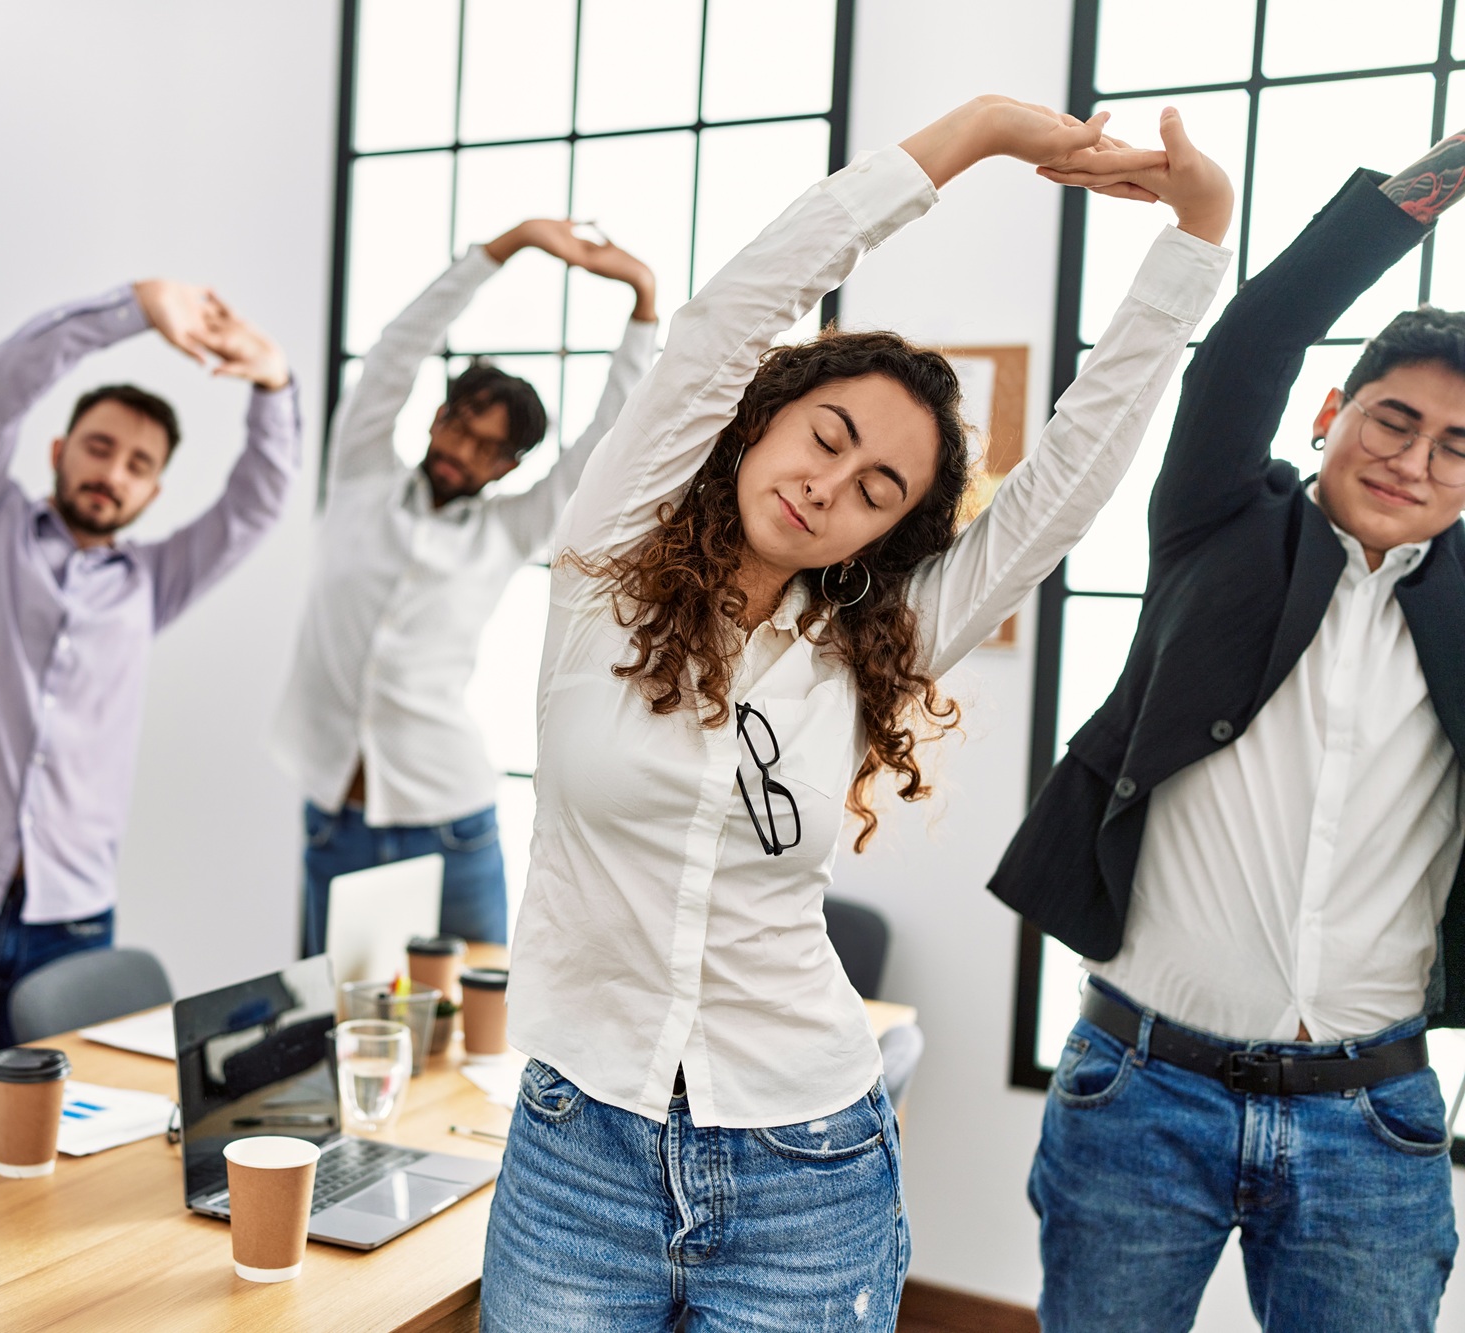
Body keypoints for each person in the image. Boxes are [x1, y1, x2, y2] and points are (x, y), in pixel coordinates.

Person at [478, 96, 1234, 1330]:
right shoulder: (602, 567)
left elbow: (1063, 484)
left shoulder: (863, 648)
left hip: (804, 1168)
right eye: (823, 437)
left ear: (885, 533)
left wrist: (1195, 236)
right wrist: (977, 133)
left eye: (876, 489)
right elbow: (730, 312)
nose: (827, 486)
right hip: (575, 1159)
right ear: (756, 419)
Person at [995, 124, 1465, 1333]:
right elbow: (1257, 334)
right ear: (1329, 413)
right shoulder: (1219, 522)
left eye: (1454, 447)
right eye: (1391, 419)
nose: (1412, 460)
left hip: (1371, 1118)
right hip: (1139, 1094)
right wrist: (1454, 164)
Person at [0, 277, 298, 1093]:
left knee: (67, 1148)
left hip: (70, 920)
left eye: (138, 464)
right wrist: (135, 309)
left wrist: (274, 385)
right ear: (58, 450)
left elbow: (256, 502)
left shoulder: (152, 581)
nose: (112, 472)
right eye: (99, 446)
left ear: (154, 490)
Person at [274, 219, 658, 953]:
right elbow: (395, 353)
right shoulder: (359, 479)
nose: (461, 451)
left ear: (508, 468)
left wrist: (643, 300)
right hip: (335, 820)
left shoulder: (509, 530)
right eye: (457, 426)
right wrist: (506, 247)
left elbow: (608, 446)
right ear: (437, 417)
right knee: (346, 1013)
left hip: (451, 827)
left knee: (480, 1014)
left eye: (488, 448)